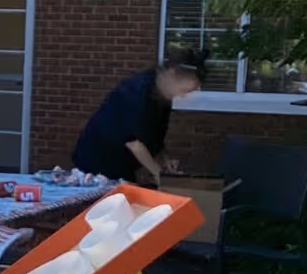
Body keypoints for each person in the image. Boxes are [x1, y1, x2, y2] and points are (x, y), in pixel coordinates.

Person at [72, 49, 207, 187]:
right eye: (183, 90)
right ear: (171, 74)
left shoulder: (164, 95)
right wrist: (160, 175)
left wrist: (165, 161)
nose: (183, 96)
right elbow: (134, 142)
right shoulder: (137, 91)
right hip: (97, 158)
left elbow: (157, 136)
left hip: (121, 162)